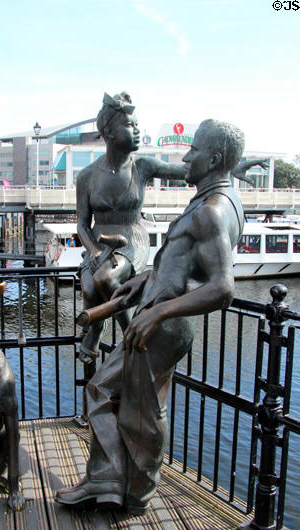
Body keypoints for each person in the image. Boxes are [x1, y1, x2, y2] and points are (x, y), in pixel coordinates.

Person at [56, 119, 245, 515]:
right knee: (118, 395)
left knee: (127, 402)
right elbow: (182, 266)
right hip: (158, 315)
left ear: (213, 159)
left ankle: (130, 490)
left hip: (161, 324)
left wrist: (157, 310)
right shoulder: (220, 201)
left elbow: (222, 288)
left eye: (193, 150)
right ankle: (111, 482)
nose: (186, 157)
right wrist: (144, 279)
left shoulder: (211, 211)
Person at [77, 92, 262, 364]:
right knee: (90, 290)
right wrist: (92, 250)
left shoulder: (143, 166)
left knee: (105, 280)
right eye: (130, 126)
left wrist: (229, 168)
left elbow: (186, 170)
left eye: (138, 125)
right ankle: (96, 331)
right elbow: (81, 223)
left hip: (130, 239)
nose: (138, 131)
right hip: (98, 243)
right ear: (108, 132)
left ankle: (130, 338)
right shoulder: (87, 175)